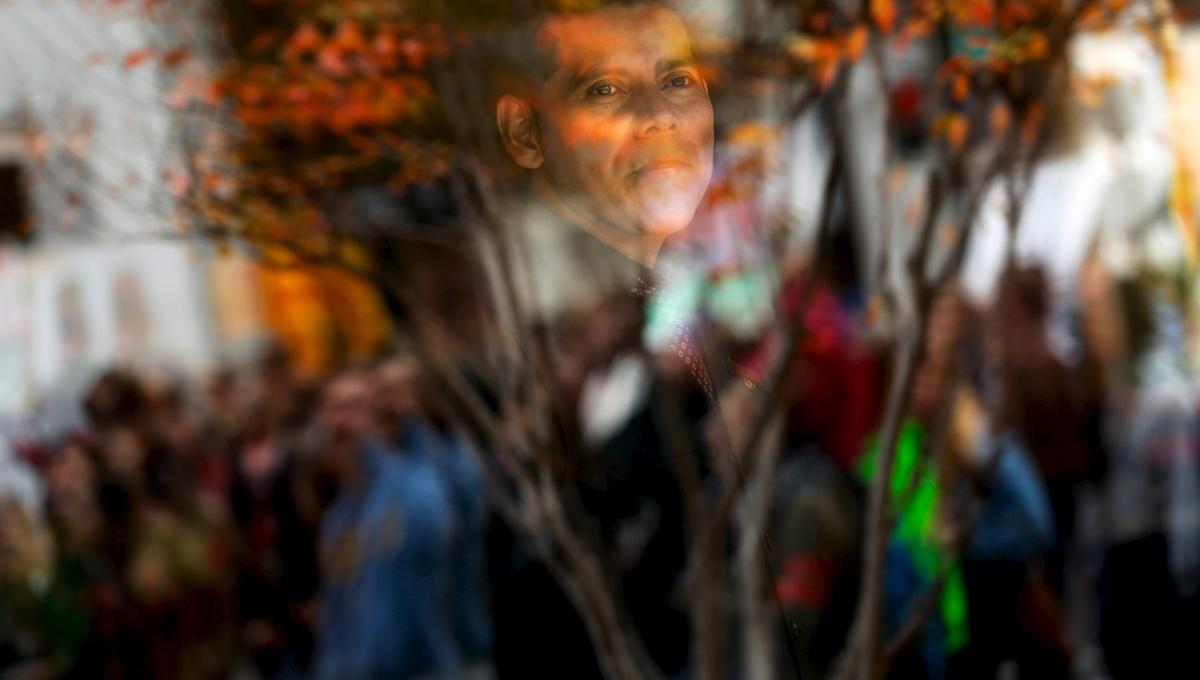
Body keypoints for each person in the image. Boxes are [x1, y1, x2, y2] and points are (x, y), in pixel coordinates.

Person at [312, 368, 460, 680]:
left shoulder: (417, 489)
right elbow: (338, 618)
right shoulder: (336, 520)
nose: (342, 421)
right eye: (334, 409)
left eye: (354, 408)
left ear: (379, 418)